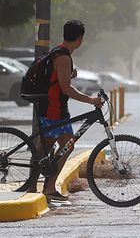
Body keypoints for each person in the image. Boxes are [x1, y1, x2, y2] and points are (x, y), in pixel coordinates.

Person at [38, 19, 102, 202]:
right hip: (54, 109)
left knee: (49, 148)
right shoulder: (64, 57)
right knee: (62, 147)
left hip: (54, 107)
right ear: (80, 39)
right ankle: (47, 187)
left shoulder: (58, 52)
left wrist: (68, 75)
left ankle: (37, 184)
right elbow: (66, 88)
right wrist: (90, 100)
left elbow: (58, 80)